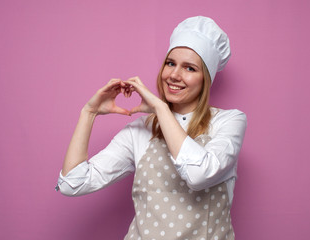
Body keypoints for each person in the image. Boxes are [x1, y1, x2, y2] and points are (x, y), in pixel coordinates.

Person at [57, 16, 247, 240]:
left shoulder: (229, 122)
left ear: (206, 78)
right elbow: (73, 184)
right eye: (170, 63)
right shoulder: (139, 131)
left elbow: (198, 174)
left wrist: (160, 108)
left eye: (189, 68)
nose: (174, 75)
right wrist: (88, 113)